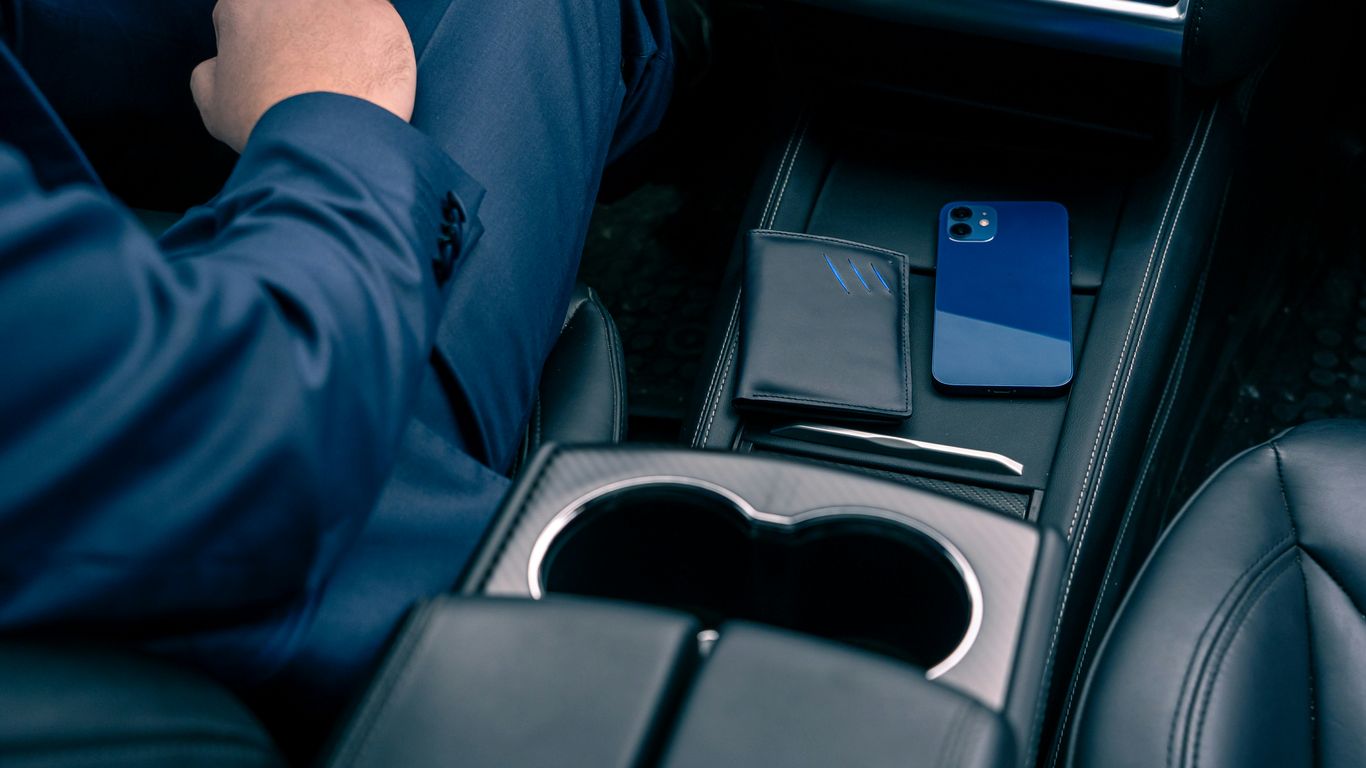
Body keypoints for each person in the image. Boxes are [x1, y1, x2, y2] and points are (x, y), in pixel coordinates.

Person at [0, 0, 671, 737]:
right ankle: (657, 65)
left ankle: (649, 64)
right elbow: (256, 422)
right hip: (277, 496)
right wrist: (331, 112)